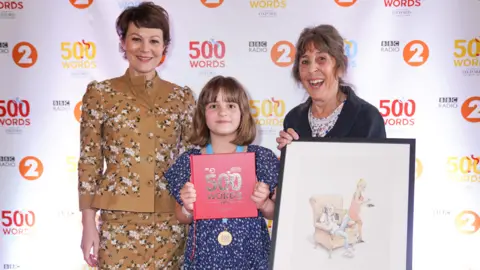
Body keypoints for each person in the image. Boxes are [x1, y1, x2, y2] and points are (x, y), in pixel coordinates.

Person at [78, 2, 195, 269]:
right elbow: (89, 163)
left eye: (154, 41)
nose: (145, 49)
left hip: (170, 224)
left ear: (165, 46)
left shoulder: (182, 97)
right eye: (136, 39)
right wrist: (88, 225)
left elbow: (191, 161)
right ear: (123, 43)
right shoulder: (101, 94)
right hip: (118, 224)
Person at [164, 76, 279, 269]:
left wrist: (265, 203)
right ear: (202, 113)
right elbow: (181, 217)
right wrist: (187, 207)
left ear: (243, 113)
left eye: (231, 105)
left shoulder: (262, 158)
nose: (223, 112)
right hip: (204, 260)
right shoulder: (190, 161)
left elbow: (273, 214)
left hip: (251, 259)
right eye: (213, 106)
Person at [276, 24, 386, 149]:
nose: (312, 69)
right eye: (305, 61)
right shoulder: (293, 119)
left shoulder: (367, 118)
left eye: (321, 59)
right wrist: (289, 154)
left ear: (340, 66)